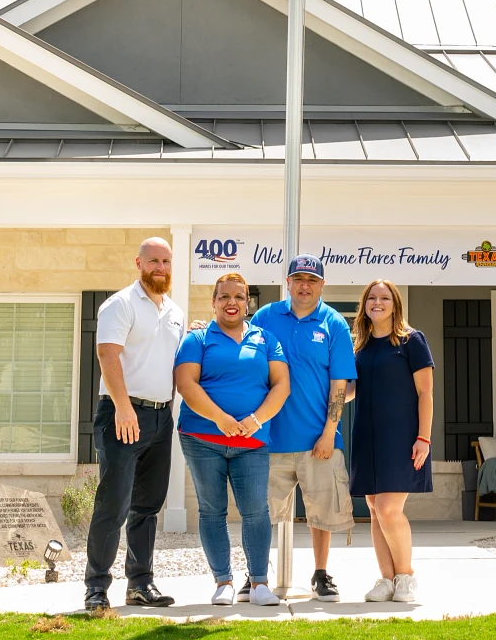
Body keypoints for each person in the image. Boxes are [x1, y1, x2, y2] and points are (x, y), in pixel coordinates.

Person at [174, 272, 290, 606]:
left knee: (256, 510)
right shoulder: (196, 340)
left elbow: (281, 385)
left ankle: (259, 584)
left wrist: (255, 420)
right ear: (213, 302)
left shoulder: (266, 340)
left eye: (239, 297)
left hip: (252, 440)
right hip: (202, 437)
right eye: (224, 296)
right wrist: (220, 419)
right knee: (212, 510)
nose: (232, 303)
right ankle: (223, 581)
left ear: (248, 303)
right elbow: (187, 384)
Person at [85, 235, 187, 610]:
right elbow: (107, 355)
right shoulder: (121, 304)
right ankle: (96, 588)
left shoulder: (173, 311)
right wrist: (124, 408)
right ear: (139, 263)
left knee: (148, 506)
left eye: (166, 261)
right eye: (154, 261)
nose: (160, 268)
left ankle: (140, 584)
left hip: (161, 417)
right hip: (123, 414)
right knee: (114, 504)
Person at [252, 254, 358, 602]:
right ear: (287, 283)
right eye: (298, 278)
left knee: (322, 513)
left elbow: (340, 383)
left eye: (312, 280)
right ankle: (257, 576)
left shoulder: (333, 324)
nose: (305, 285)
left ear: (322, 285)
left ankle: (321, 573)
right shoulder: (265, 317)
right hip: (269, 438)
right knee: (261, 513)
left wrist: (330, 432)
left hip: (319, 440)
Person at [348, 278, 433, 604]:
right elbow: (354, 390)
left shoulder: (412, 341)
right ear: (365, 305)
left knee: (388, 507)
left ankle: (406, 577)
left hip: (401, 437)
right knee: (373, 508)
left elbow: (426, 392)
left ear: (395, 304)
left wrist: (423, 437)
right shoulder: (362, 345)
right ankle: (385, 580)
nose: (378, 302)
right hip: (367, 435)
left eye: (384, 298)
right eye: (372, 298)